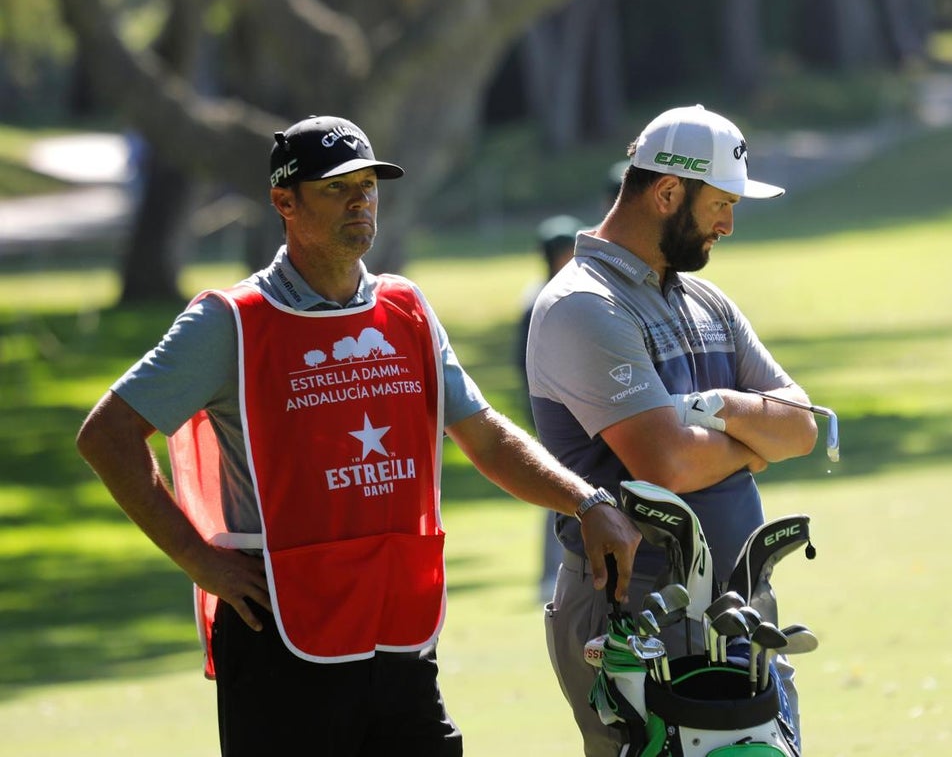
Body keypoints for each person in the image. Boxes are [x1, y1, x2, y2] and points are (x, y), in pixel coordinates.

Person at [76, 115, 641, 757]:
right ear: (284, 202)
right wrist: (196, 558)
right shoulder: (228, 323)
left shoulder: (407, 311)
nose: (359, 201)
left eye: (368, 186)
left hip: (398, 627)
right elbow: (108, 436)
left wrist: (586, 501)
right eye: (336, 187)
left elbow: (483, 435)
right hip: (278, 628)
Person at [525, 104, 819, 757]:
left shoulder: (706, 301)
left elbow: (802, 427)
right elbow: (668, 465)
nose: (730, 225)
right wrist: (750, 443)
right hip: (635, 610)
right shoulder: (583, 304)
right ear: (666, 192)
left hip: (739, 603)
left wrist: (714, 407)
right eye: (720, 204)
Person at [515, 215, 582, 602]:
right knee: (558, 494)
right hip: (555, 414)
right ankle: (549, 577)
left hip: (575, 411)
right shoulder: (541, 301)